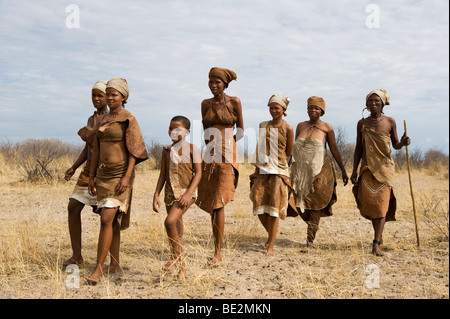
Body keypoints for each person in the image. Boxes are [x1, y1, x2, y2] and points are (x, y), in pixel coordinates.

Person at [85, 78, 148, 284]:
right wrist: (92, 176)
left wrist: (127, 177)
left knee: (106, 220)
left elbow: (134, 150)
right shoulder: (102, 120)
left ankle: (98, 270)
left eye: (114, 94)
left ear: (124, 97)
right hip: (102, 175)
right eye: (108, 94)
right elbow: (95, 151)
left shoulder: (128, 118)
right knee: (111, 222)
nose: (110, 98)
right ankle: (114, 263)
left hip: (120, 175)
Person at [351, 89, 410, 256]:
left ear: (383, 103)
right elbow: (358, 148)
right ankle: (379, 234)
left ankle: (376, 244)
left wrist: (404, 142)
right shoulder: (362, 123)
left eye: (377, 101)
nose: (373, 104)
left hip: (384, 168)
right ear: (366, 104)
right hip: (367, 168)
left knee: (382, 206)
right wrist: (354, 169)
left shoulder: (390, 122)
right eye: (370, 101)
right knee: (372, 205)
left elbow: (396, 144)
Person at [196, 67, 244, 266]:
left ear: (225, 84)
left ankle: (218, 252)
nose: (213, 85)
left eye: (217, 82)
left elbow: (240, 130)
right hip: (209, 154)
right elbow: (206, 130)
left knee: (219, 201)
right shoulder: (205, 104)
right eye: (210, 81)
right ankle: (217, 248)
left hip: (227, 154)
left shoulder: (234, 102)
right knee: (211, 201)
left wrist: (226, 143)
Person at [290, 96, 348, 248]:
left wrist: (343, 170)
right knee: (297, 203)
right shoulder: (300, 126)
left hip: (320, 171)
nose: (313, 111)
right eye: (310, 108)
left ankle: (310, 241)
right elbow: (295, 149)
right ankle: (312, 224)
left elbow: (334, 149)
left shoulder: (326, 127)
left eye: (316, 108)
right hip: (300, 172)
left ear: (322, 111)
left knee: (315, 205)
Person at [63, 80, 108, 267]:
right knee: (73, 207)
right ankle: (77, 255)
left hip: (104, 170)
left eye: (100, 95)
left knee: (107, 215)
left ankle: (108, 260)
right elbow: (88, 147)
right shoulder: (91, 119)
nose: (96, 99)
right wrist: (74, 166)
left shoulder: (111, 118)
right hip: (88, 169)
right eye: (93, 95)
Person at [152, 116, 202, 280]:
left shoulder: (192, 148)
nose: (173, 132)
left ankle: (175, 260)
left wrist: (188, 194)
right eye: (171, 128)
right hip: (169, 194)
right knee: (177, 231)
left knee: (169, 222)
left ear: (187, 132)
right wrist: (156, 194)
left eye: (178, 129)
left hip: (185, 195)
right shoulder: (166, 151)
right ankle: (183, 269)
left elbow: (199, 173)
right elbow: (163, 175)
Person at [249, 94, 294, 256]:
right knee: (259, 205)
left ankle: (271, 244)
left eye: (277, 108)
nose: (273, 111)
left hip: (279, 171)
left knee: (274, 208)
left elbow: (289, 151)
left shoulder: (288, 128)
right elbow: (260, 148)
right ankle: (271, 235)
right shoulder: (263, 125)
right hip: (262, 170)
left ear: (283, 110)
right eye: (271, 107)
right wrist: (255, 171)